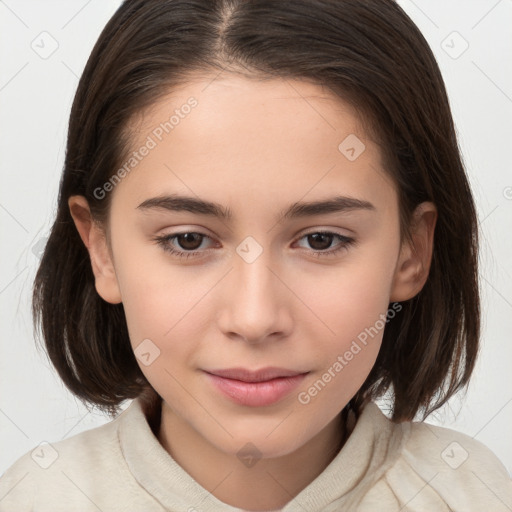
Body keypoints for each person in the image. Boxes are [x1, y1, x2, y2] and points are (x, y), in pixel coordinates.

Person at [1, 0, 511, 510]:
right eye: (188, 240)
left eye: (321, 240)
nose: (254, 318)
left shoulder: (471, 494)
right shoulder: (38, 498)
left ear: (411, 252)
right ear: (102, 250)